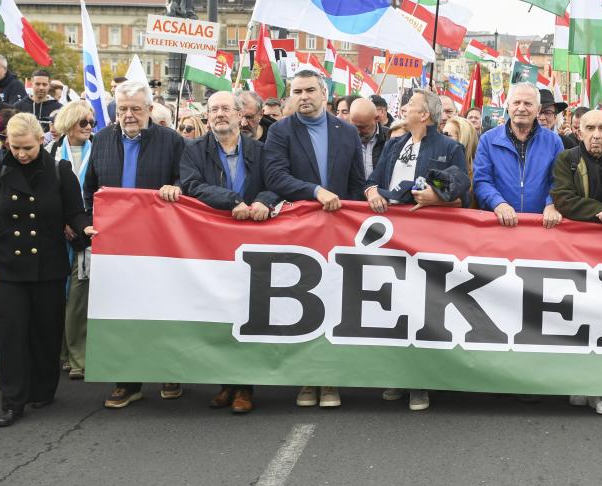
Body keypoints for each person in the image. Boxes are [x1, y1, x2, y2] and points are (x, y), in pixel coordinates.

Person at [0, 114, 88, 427]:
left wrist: (86, 228)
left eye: (27, 147)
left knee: (46, 332)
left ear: (41, 140)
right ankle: (13, 401)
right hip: (8, 265)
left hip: (48, 265)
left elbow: (74, 211)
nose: (21, 154)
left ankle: (43, 387)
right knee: (12, 334)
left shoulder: (59, 170)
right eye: (15, 147)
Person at [262, 69, 366, 409]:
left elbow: (355, 183)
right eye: (297, 91)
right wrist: (314, 191)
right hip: (299, 230)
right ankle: (306, 379)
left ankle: (330, 377)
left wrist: (352, 218)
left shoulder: (347, 132)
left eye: (309, 90)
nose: (303, 96)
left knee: (335, 302)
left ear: (324, 93)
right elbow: (275, 175)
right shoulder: (280, 131)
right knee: (301, 304)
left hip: (338, 232)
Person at [364, 89, 469, 413]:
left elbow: (462, 185)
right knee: (397, 305)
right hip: (394, 240)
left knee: (425, 309)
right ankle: (399, 373)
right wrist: (370, 193)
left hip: (429, 238)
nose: (404, 110)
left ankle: (421, 382)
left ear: (425, 115)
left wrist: (438, 198)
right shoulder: (395, 145)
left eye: (410, 107)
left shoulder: (449, 147)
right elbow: (373, 180)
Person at [84, 80, 186, 408]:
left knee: (165, 309)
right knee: (123, 313)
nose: (129, 115)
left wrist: (177, 188)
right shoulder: (99, 140)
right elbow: (89, 190)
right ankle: (127, 381)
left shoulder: (171, 141)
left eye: (135, 109)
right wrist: (86, 223)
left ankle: (171, 372)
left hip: (160, 244)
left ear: (149, 109)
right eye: (123, 109)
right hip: (117, 248)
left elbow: (188, 179)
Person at [181, 90, 279, 414]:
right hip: (212, 244)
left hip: (253, 246)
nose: (219, 114)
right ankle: (225, 383)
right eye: (213, 110)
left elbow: (275, 183)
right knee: (220, 314)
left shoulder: (261, 151)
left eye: (225, 108)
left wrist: (263, 201)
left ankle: (245, 388)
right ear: (207, 117)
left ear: (241, 116)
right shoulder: (193, 150)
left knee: (247, 313)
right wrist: (231, 201)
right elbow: (193, 185)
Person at [549, 108, 602, 417]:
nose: (597, 134)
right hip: (578, 254)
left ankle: (601, 388)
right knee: (578, 318)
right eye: (590, 128)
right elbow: (564, 198)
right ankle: (579, 382)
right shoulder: (566, 159)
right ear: (578, 130)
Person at [473, 83, 565, 231]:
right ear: (508, 106)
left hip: (541, 227)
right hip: (498, 227)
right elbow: (482, 180)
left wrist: (552, 203)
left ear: (538, 109)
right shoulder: (488, 140)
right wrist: (498, 203)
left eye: (528, 103)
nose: (521, 108)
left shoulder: (554, 142)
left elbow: (559, 181)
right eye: (516, 102)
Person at [50, 101, 95, 382]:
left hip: (87, 233)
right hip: (58, 235)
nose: (89, 127)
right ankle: (63, 354)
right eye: (83, 123)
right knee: (61, 297)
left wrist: (82, 225)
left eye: (92, 123)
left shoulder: (100, 150)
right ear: (69, 124)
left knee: (79, 299)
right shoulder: (51, 152)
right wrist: (63, 222)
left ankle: (80, 357)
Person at [348, 96, 386, 181]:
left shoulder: (390, 138)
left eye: (362, 127)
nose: (357, 132)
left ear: (376, 119)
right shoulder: (343, 138)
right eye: (353, 126)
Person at [442, 116, 478, 189]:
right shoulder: (437, 164)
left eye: (447, 135)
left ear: (464, 139)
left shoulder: (479, 176)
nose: (442, 139)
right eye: (442, 134)